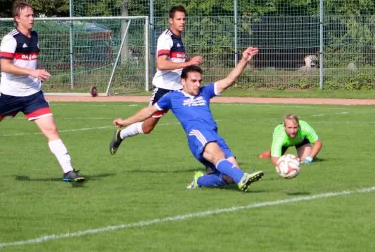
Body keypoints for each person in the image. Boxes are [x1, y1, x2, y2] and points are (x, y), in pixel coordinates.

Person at [113, 47, 264, 191]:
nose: (198, 84)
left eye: (199, 81)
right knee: (221, 160)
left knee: (229, 177)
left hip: (214, 135)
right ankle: (243, 178)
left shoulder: (205, 92)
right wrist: (125, 122)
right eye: (193, 81)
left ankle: (200, 181)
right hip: (197, 135)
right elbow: (149, 110)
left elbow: (229, 80)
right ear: (183, 81)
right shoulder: (172, 97)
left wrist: (244, 59)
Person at [0, 1, 85, 182]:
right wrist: (32, 72)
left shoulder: (35, 36)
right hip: (10, 95)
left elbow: (31, 62)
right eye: (28, 16)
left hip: (33, 95)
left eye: (33, 15)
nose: (32, 18)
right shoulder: (11, 39)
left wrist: (37, 70)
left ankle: (68, 171)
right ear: (17, 18)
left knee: (51, 130)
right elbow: (5, 66)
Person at [109, 5, 203, 154]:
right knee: (147, 127)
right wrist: (188, 63)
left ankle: (210, 157)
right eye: (178, 19)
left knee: (195, 121)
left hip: (179, 90)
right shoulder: (166, 38)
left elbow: (176, 64)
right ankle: (121, 134)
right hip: (164, 89)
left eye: (184, 19)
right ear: (170, 21)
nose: (182, 22)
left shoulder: (178, 38)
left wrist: (189, 63)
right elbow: (161, 64)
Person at [258, 114, 323, 166]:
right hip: (284, 142)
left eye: (295, 127)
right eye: (289, 128)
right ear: (284, 127)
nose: (292, 131)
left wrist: (310, 158)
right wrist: (287, 166)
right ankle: (269, 153)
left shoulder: (305, 128)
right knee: (272, 157)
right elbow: (275, 160)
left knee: (305, 159)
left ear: (298, 126)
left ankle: (312, 156)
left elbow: (318, 143)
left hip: (300, 140)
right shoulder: (279, 137)